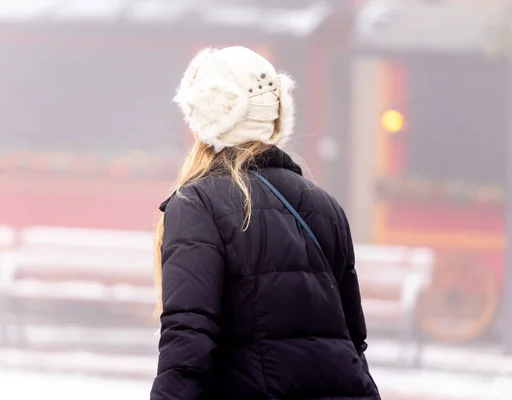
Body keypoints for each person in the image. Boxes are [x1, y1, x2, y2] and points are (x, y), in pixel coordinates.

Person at [150, 46, 380, 400]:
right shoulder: (325, 206)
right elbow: (352, 340)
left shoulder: (198, 205)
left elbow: (188, 339)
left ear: (204, 117)